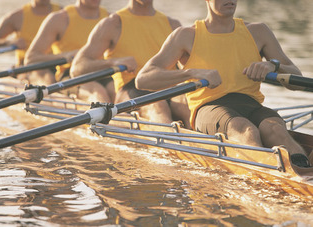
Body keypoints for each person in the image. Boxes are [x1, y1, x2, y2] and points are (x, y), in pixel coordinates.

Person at [136, 0, 311, 167]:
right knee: (246, 131)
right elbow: (143, 79)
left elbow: (297, 80)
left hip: (250, 104)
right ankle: (268, 178)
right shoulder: (186, 36)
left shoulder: (258, 32)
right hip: (209, 107)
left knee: (276, 131)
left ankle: (304, 174)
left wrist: (273, 65)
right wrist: (192, 72)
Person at [70, 0, 191, 128]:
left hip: (168, 87)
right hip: (131, 89)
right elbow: (77, 68)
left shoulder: (172, 24)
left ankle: (200, 143)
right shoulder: (113, 23)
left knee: (188, 105)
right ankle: (172, 143)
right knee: (157, 105)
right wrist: (114, 62)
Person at [24, 0, 111, 103]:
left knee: (115, 91)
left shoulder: (110, 20)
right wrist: (65, 56)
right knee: (98, 92)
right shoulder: (59, 19)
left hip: (101, 71)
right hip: (70, 74)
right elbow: (30, 58)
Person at [0, 0, 61, 67]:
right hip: (28, 67)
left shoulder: (63, 14)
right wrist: (9, 42)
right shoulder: (17, 17)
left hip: (59, 63)